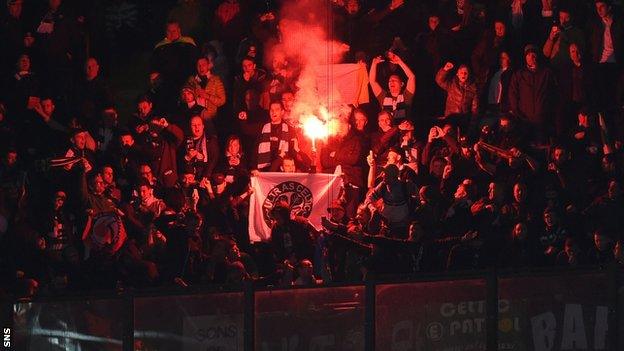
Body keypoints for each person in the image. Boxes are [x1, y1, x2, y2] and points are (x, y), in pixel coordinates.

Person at [508, 44, 557, 145]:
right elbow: (513, 93)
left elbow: (554, 93)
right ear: (525, 57)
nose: (531, 57)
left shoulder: (546, 73)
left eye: (533, 54)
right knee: (524, 148)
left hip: (542, 122)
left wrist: (548, 112)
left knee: (540, 149)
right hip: (524, 121)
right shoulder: (519, 74)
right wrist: (517, 113)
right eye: (529, 55)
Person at [369, 51, 416, 122]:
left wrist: (400, 62)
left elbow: (412, 77)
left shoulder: (406, 96)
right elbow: (372, 81)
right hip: (387, 131)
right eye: (390, 81)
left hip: (402, 130)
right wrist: (374, 64)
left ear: (402, 84)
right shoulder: (383, 96)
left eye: (394, 80)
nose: (391, 82)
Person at [435, 61, 479, 133]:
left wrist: (472, 127)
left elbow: (475, 110)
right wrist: (445, 69)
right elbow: (439, 81)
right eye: (461, 73)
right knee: (449, 140)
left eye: (466, 73)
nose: (463, 75)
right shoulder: (452, 84)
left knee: (462, 141)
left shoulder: (473, 89)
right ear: (457, 74)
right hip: (451, 119)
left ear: (469, 75)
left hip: (464, 121)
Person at [255, 100, 291, 172]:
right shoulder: (263, 127)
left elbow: (293, 151)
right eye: (271, 110)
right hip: (265, 168)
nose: (273, 112)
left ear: (282, 112)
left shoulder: (289, 129)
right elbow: (255, 147)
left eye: (277, 110)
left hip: (282, 168)